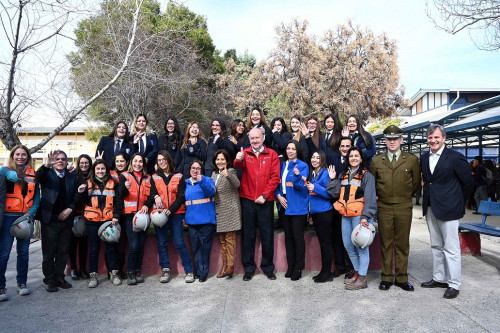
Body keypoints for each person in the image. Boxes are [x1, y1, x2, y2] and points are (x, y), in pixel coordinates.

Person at [420, 124, 473, 299]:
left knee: (451, 248)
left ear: (444, 138)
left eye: (436, 137)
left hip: (450, 209)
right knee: (436, 245)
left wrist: (458, 203)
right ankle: (439, 277)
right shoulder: (424, 156)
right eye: (430, 138)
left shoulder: (456, 158)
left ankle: (454, 283)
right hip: (430, 207)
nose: (433, 140)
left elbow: (468, 184)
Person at [370, 125, 421, 291]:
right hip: (384, 206)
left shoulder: (412, 160)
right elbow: (373, 184)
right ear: (385, 141)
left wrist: (404, 197)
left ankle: (401, 278)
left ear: (401, 140)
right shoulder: (377, 160)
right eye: (389, 139)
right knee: (386, 242)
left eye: (395, 139)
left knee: (402, 243)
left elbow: (415, 185)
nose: (392, 142)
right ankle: (386, 277)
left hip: (404, 206)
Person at [327, 146, 377, 290]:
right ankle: (357, 272)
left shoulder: (367, 175)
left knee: (361, 247)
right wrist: (332, 179)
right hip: (346, 216)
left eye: (356, 155)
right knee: (349, 247)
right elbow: (336, 193)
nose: (353, 158)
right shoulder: (343, 174)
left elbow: (370, 197)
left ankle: (362, 277)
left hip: (359, 217)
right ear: (347, 159)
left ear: (361, 158)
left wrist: (366, 217)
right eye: (351, 156)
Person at [234, 128, 281, 281]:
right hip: (247, 200)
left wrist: (265, 195)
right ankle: (248, 268)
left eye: (257, 138)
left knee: (267, 235)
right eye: (252, 138)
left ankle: (268, 268)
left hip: (265, 201)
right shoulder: (245, 153)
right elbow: (237, 166)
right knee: (248, 235)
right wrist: (238, 159)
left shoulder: (272, 154)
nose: (255, 140)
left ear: (263, 138)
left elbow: (275, 178)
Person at [144, 150, 195, 283]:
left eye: (163, 159)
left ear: (168, 160)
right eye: (159, 160)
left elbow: (180, 196)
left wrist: (170, 210)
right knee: (162, 243)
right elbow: (152, 193)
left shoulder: (179, 176)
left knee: (179, 242)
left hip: (176, 214)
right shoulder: (154, 177)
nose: (161, 162)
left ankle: (189, 270)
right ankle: (165, 270)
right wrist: (155, 197)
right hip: (159, 215)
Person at [0, 145, 40, 300]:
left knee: (23, 252)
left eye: (24, 154)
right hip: (8, 217)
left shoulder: (32, 173)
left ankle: (22, 283)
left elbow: (37, 196)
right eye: (17, 154)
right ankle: (1, 287)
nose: (20, 157)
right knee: (3, 253)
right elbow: (14, 177)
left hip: (25, 218)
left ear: (28, 156)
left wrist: (30, 213)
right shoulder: (4, 170)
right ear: (12, 155)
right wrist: (19, 175)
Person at [74, 159, 121, 288]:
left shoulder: (113, 183)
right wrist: (79, 192)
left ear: (107, 170)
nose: (100, 171)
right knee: (94, 249)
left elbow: (119, 202)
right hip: (92, 222)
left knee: (111, 248)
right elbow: (79, 201)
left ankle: (113, 273)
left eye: (103, 169)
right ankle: (93, 275)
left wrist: (116, 216)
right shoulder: (87, 183)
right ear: (94, 171)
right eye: (98, 169)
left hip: (108, 221)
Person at [36, 150, 78, 292]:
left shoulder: (72, 178)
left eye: (63, 159)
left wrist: (70, 209)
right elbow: (38, 176)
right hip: (50, 221)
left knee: (63, 251)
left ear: (67, 161)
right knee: (48, 252)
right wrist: (46, 165)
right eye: (57, 159)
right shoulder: (47, 174)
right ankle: (49, 280)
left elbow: (76, 197)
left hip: (66, 221)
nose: (60, 161)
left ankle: (60, 277)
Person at [114, 153, 151, 285]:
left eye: (140, 161)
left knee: (141, 246)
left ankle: (137, 271)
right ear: (131, 163)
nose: (138, 164)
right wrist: (125, 187)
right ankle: (130, 272)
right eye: (135, 161)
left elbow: (152, 196)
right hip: (130, 216)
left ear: (143, 164)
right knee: (134, 245)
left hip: (144, 216)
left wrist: (147, 205)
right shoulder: (125, 176)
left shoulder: (148, 178)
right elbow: (120, 194)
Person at [275, 140, 309, 281]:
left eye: (293, 149)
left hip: (297, 206)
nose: (290, 151)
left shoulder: (303, 166)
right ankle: (290, 266)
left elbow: (301, 186)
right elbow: (276, 183)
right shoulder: (282, 165)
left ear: (297, 151)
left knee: (297, 237)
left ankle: (298, 268)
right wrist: (278, 196)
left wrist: (296, 176)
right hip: (284, 204)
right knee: (288, 237)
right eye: (288, 148)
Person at [211, 150, 241, 279]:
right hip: (218, 211)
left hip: (230, 211)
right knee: (222, 241)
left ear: (227, 161)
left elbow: (237, 184)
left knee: (230, 240)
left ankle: (230, 266)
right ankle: (224, 267)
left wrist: (228, 175)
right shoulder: (213, 174)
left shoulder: (232, 172)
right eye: (218, 159)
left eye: (222, 159)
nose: (220, 162)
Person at [184, 160, 216, 282]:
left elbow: (210, 192)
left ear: (201, 170)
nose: (195, 170)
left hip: (206, 221)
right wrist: (184, 218)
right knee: (195, 248)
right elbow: (184, 203)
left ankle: (203, 272)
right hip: (192, 223)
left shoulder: (207, 180)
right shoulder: (186, 183)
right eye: (193, 168)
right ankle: (197, 271)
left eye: (198, 168)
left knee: (204, 249)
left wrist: (201, 180)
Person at [329, 136, 355, 279]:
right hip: (336, 205)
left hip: (351, 207)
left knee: (350, 238)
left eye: (347, 146)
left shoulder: (355, 162)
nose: (345, 148)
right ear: (339, 148)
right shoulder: (333, 162)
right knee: (337, 237)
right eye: (342, 146)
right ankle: (340, 266)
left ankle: (351, 267)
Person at [307, 151, 335, 283]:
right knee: (322, 243)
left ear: (322, 160)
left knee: (326, 243)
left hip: (325, 213)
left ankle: (327, 273)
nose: (315, 159)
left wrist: (315, 187)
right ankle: (324, 271)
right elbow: (311, 196)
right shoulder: (313, 174)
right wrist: (311, 214)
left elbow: (330, 194)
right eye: (313, 157)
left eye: (318, 158)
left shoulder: (325, 173)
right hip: (316, 213)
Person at [69, 154, 92, 281]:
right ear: (78, 164)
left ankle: (83, 268)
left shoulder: (92, 176)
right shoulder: (72, 176)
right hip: (73, 213)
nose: (84, 165)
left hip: (87, 214)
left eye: (86, 162)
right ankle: (73, 268)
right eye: (82, 163)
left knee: (84, 243)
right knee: (72, 243)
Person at [108, 152, 130, 279]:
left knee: (121, 244)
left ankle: (119, 269)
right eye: (117, 161)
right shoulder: (109, 174)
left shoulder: (129, 175)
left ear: (127, 162)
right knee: (110, 243)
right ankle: (111, 270)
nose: (120, 164)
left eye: (122, 161)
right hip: (111, 213)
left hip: (124, 214)